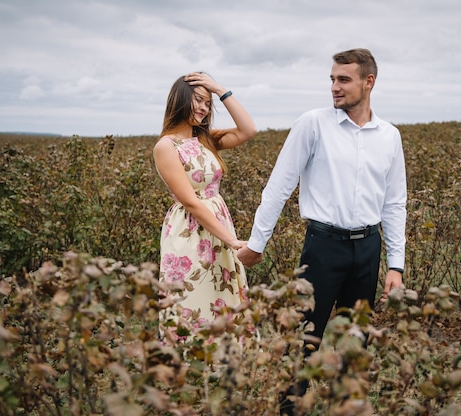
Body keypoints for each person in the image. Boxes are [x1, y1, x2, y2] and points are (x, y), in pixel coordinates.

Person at [237, 48, 406, 414]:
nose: (334, 87)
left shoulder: (389, 136)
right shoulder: (313, 124)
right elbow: (279, 186)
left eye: (343, 79)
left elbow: (394, 204)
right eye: (332, 79)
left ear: (368, 82)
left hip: (368, 248)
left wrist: (396, 265)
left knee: (354, 342)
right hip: (322, 247)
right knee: (303, 341)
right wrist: (256, 243)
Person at [154, 72, 256, 331]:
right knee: (192, 299)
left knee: (223, 298)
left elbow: (249, 129)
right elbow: (190, 202)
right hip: (189, 232)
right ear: (180, 100)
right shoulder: (166, 146)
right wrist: (231, 240)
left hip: (218, 224)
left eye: (207, 103)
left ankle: (225, 362)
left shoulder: (205, 139)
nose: (203, 107)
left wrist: (220, 90)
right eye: (197, 100)